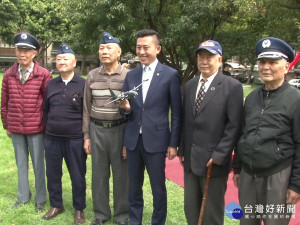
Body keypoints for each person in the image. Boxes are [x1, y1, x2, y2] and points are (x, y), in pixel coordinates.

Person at [233, 37, 300, 225]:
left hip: (277, 175)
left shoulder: (295, 100)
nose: (266, 67)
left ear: (286, 67)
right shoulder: (252, 97)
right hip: (248, 174)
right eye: (262, 62)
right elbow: (243, 133)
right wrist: (237, 167)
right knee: (246, 222)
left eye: (273, 62)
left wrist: (296, 185)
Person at [118, 29, 182, 225]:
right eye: (139, 47)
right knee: (134, 188)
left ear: (157, 48)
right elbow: (124, 109)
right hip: (133, 140)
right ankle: (135, 221)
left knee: (158, 188)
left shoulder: (170, 75)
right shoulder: (132, 75)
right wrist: (126, 109)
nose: (142, 51)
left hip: (157, 140)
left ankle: (158, 221)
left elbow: (177, 113)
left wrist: (173, 143)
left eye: (146, 47)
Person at [177, 40, 243, 225]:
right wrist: (182, 149)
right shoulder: (190, 85)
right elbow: (186, 120)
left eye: (209, 57)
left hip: (214, 161)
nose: (204, 61)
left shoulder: (232, 86)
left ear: (219, 59)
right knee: (191, 207)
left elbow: (234, 125)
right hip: (190, 158)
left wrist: (220, 154)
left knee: (211, 212)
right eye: (201, 57)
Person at [1, 32, 51, 211]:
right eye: (19, 50)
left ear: (34, 53)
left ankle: (40, 199)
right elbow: (4, 101)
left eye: (26, 51)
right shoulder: (9, 74)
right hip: (15, 127)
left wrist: (45, 126)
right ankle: (22, 197)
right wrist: (6, 124)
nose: (22, 54)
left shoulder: (43, 75)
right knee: (20, 164)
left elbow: (48, 103)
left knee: (38, 165)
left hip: (36, 127)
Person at [83, 32, 129, 225]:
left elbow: (134, 111)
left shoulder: (129, 76)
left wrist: (128, 141)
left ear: (118, 52)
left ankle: (122, 216)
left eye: (109, 48)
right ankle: (101, 214)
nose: (104, 51)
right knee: (99, 175)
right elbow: (86, 107)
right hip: (97, 130)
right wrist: (86, 136)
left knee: (122, 177)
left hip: (120, 130)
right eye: (102, 48)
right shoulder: (92, 76)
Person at [42, 43, 87, 224]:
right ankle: (56, 205)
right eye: (59, 59)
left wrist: (86, 137)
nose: (61, 62)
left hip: (75, 139)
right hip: (52, 138)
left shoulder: (83, 84)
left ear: (74, 62)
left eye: (66, 58)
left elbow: (87, 112)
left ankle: (79, 208)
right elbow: (45, 110)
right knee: (52, 173)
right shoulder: (51, 84)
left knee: (77, 174)